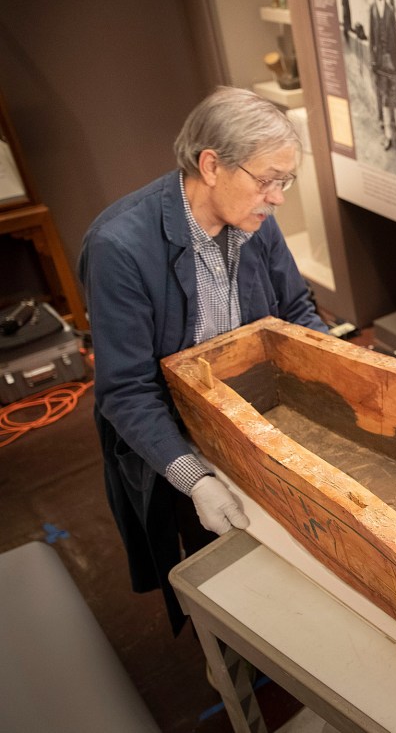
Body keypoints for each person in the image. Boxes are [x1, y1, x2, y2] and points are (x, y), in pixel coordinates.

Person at [78, 87, 328, 633]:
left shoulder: (255, 216)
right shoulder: (119, 247)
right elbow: (126, 391)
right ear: (210, 165)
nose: (278, 197)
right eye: (267, 179)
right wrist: (195, 478)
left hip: (250, 413)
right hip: (173, 434)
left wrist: (343, 375)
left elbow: (295, 313)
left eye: (284, 181)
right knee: (220, 583)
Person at [370, 0, 396, 155]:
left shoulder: (390, 10)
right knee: (385, 100)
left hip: (391, 62)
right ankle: (388, 136)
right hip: (380, 62)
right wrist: (372, 60)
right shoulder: (372, 10)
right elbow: (371, 37)